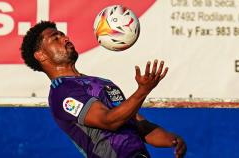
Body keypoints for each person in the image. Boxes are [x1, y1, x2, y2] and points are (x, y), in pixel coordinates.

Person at [21, 21, 186, 158]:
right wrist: (143, 90)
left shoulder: (102, 82)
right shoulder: (62, 92)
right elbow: (109, 121)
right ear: (40, 55)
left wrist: (171, 139)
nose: (65, 38)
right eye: (55, 38)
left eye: (63, 34)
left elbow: (138, 124)